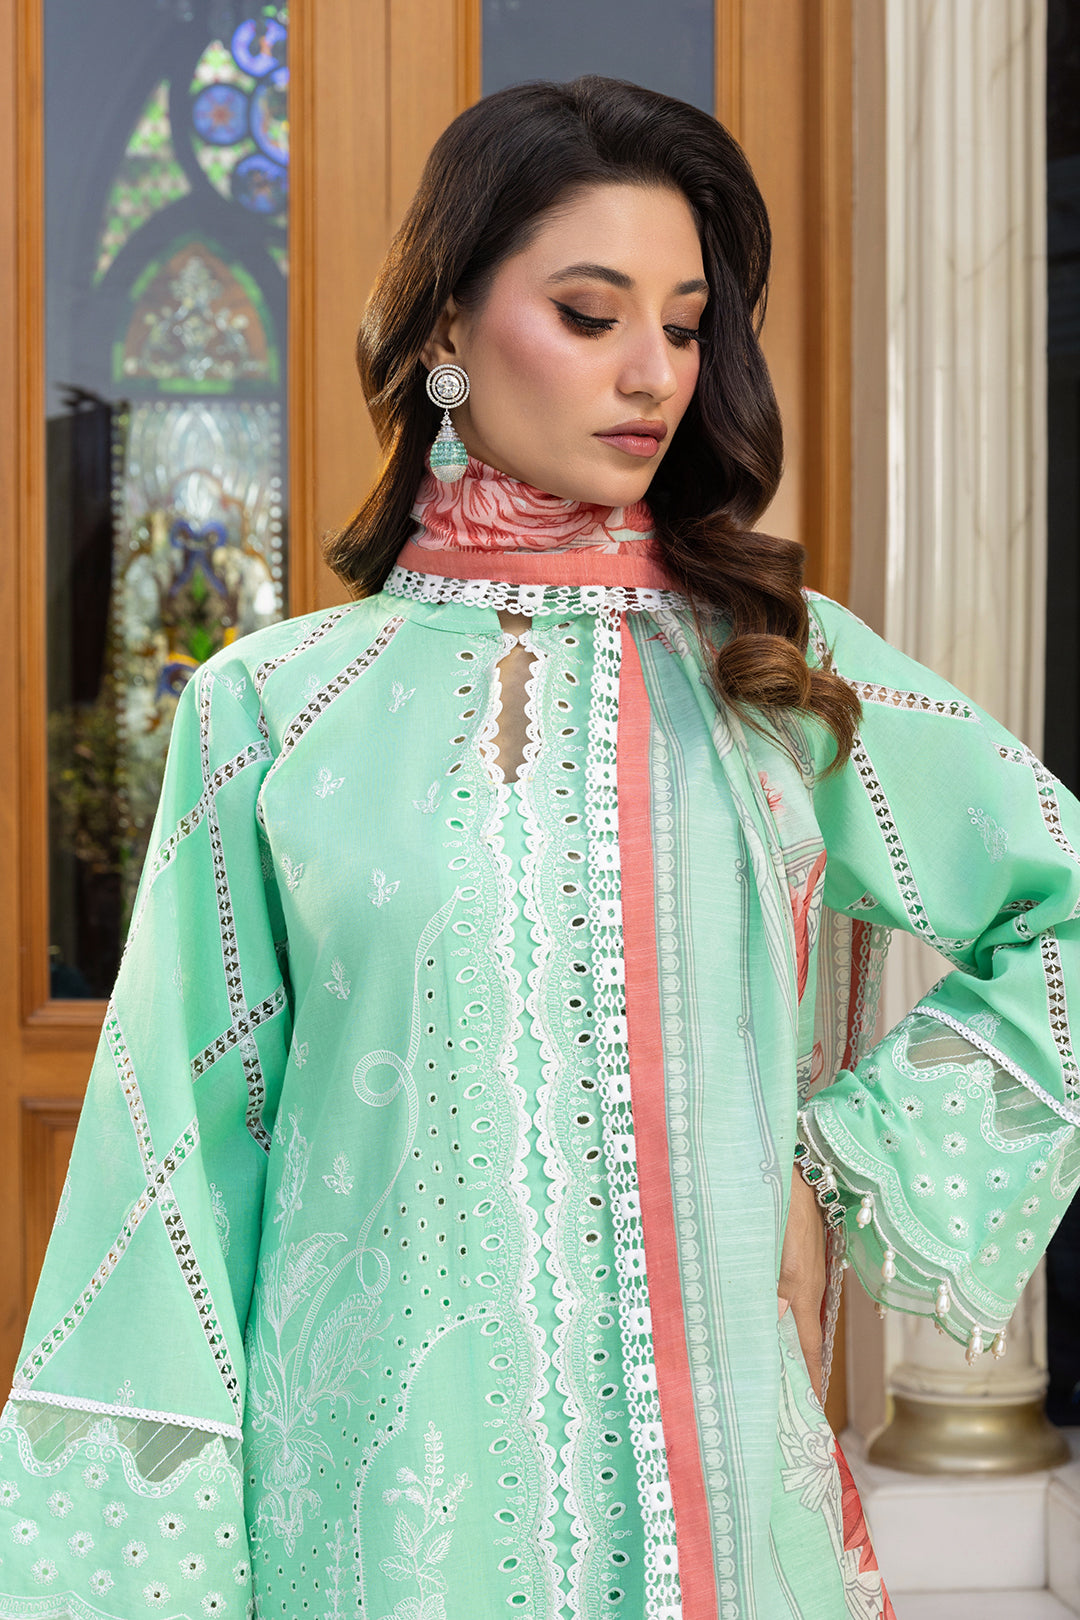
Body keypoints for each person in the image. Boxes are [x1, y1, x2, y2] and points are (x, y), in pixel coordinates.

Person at [1, 74, 1077, 1620]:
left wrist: (839, 1166)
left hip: (723, 1510)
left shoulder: (778, 674)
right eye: (590, 315)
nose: (653, 375)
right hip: (378, 1527)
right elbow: (172, 1158)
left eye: (686, 327)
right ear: (448, 326)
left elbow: (1062, 907)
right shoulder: (278, 711)